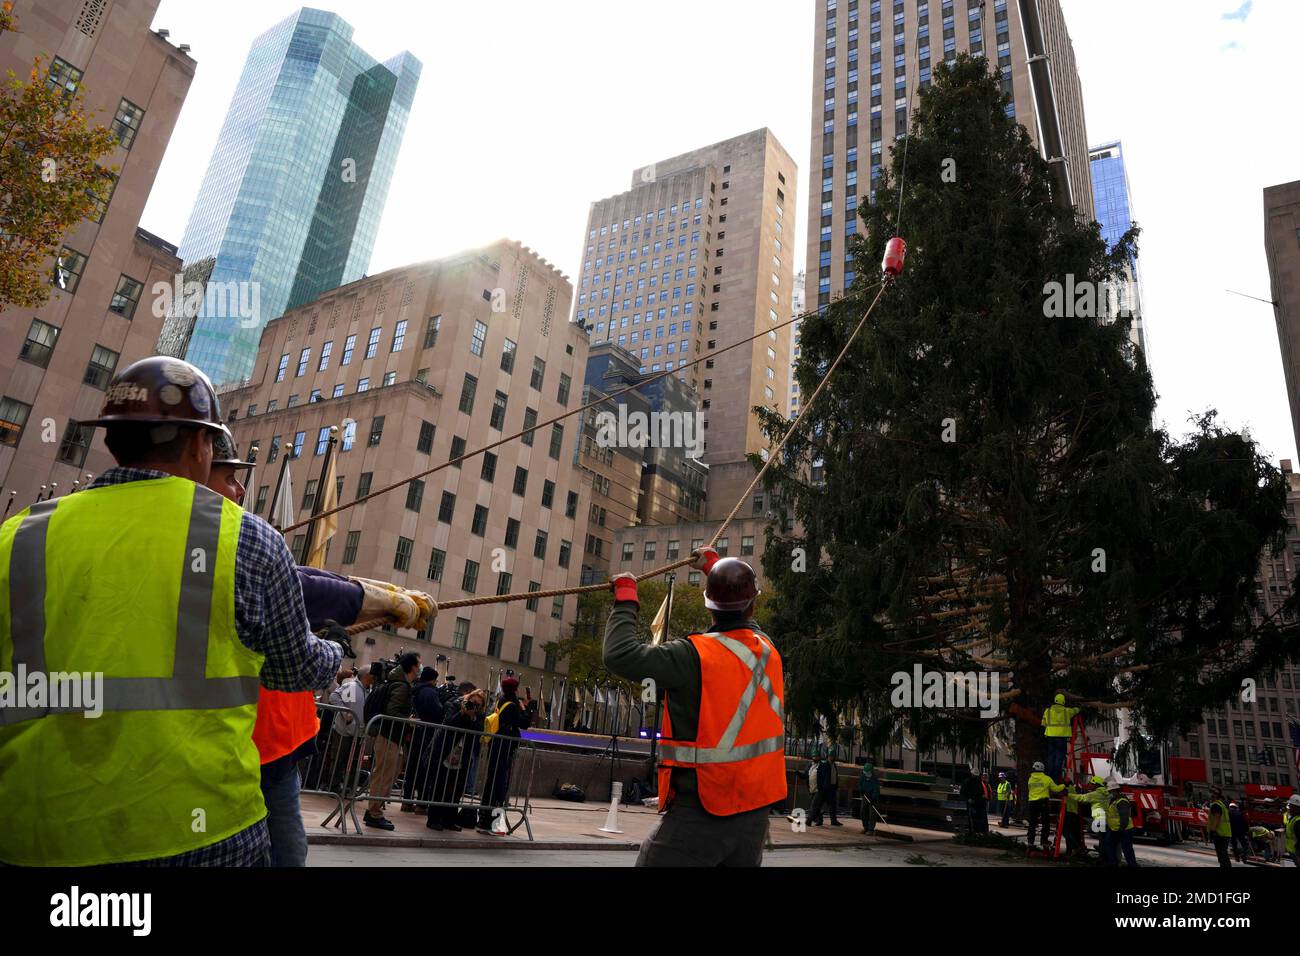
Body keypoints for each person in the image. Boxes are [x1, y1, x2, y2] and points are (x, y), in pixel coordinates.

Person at [0, 357, 346, 866]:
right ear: (199, 444)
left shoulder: (19, 535)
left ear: (113, 441)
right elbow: (295, 668)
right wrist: (335, 648)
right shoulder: (244, 539)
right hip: (198, 834)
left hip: (35, 834)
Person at [204, 436, 432, 863]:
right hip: (250, 747)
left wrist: (382, 593)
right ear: (193, 465)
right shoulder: (223, 542)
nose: (240, 491)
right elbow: (305, 604)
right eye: (230, 478)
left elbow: (302, 577)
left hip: (265, 746)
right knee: (282, 855)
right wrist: (342, 636)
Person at [604, 550, 785, 867]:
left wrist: (626, 597)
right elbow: (743, 616)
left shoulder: (691, 657)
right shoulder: (767, 648)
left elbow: (620, 654)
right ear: (753, 603)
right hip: (754, 815)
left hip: (703, 810)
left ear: (707, 604)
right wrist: (714, 567)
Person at [364, 652, 421, 830]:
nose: (420, 667)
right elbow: (392, 711)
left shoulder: (399, 682)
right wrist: (408, 720)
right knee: (384, 775)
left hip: (392, 736)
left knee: (388, 773)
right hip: (389, 735)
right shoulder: (402, 686)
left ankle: (375, 810)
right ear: (412, 666)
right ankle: (374, 813)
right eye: (418, 664)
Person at [476, 676, 537, 831]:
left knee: (491, 782)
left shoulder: (500, 701)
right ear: (515, 689)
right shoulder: (513, 705)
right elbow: (524, 723)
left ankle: (483, 819)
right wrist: (527, 708)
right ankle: (494, 824)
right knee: (499, 785)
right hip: (505, 748)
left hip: (496, 745)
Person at [426, 688, 487, 831]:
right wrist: (462, 713)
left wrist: (472, 717)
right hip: (446, 750)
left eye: (478, 705)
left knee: (456, 789)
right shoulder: (455, 705)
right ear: (468, 698)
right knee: (439, 787)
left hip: (462, 755)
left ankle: (449, 820)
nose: (474, 706)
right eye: (473, 702)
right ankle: (433, 819)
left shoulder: (479, 716)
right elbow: (449, 723)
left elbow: (479, 732)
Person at [324, 666, 374, 793]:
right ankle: (333, 787)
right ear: (367, 675)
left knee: (355, 762)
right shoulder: (352, 687)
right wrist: (345, 713)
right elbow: (334, 697)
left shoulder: (369, 690)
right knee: (339, 759)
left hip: (359, 732)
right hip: (344, 731)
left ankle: (349, 787)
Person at [401, 666, 444, 810]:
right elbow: (437, 712)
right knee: (424, 769)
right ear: (432, 679)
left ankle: (407, 800)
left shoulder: (415, 689)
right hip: (426, 734)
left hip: (414, 733)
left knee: (412, 767)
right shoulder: (430, 692)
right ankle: (421, 803)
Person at [1026, 760, 1065, 851]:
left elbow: (1030, 789)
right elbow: (1056, 789)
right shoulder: (1047, 778)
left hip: (1032, 802)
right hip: (1043, 802)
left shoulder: (1030, 779)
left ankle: (1030, 842)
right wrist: (1064, 785)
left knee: (1032, 823)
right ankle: (1044, 841)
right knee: (1045, 823)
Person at [1041, 692, 1078, 781]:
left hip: (1050, 737)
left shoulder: (1047, 711)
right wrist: (1078, 707)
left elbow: (1043, 723)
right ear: (1063, 702)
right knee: (1059, 757)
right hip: (1061, 738)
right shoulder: (1067, 711)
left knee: (1051, 757)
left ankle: (1050, 775)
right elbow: (1076, 710)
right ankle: (1056, 777)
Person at [1105, 782, 1138, 867]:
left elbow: (1124, 816)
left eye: (1111, 791)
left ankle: (1131, 865)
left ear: (1116, 791)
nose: (1110, 793)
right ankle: (1113, 863)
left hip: (1124, 829)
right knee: (1110, 845)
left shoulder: (1121, 801)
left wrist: (1121, 828)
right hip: (1117, 829)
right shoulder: (1115, 800)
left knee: (1127, 849)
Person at [809, 748, 842, 826]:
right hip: (824, 789)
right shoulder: (824, 765)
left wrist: (836, 786)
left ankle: (833, 820)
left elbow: (835, 776)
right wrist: (821, 787)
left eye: (833, 756)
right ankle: (809, 820)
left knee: (832, 805)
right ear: (828, 756)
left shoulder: (834, 765)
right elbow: (820, 777)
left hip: (832, 788)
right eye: (831, 756)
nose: (832, 758)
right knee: (816, 805)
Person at [1206, 786, 1233, 867]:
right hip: (1225, 833)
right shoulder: (1222, 804)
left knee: (1222, 856)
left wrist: (1212, 831)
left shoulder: (1216, 805)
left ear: (1214, 795)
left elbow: (1216, 819)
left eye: (1210, 792)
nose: (1209, 794)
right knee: (1223, 856)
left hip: (1220, 834)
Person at [960, 768, 989, 834]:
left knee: (978, 818)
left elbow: (981, 792)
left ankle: (978, 831)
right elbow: (962, 793)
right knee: (972, 818)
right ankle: (972, 831)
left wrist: (983, 796)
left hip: (978, 803)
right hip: (971, 803)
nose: (975, 777)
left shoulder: (978, 782)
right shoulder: (967, 782)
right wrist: (968, 799)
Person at [859, 760, 883, 834]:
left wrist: (873, 798)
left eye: (868, 773)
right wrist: (861, 791)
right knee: (863, 811)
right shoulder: (863, 776)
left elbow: (876, 790)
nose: (866, 774)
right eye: (865, 772)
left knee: (872, 813)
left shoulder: (874, 779)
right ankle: (865, 827)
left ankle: (871, 829)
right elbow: (860, 784)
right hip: (865, 796)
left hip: (873, 798)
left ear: (871, 772)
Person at [1282, 794, 1300, 867]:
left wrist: (1298, 853)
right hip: (1293, 850)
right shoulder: (1294, 817)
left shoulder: (1298, 821)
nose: (1289, 807)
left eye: (1290, 805)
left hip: (1296, 851)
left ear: (1297, 807)